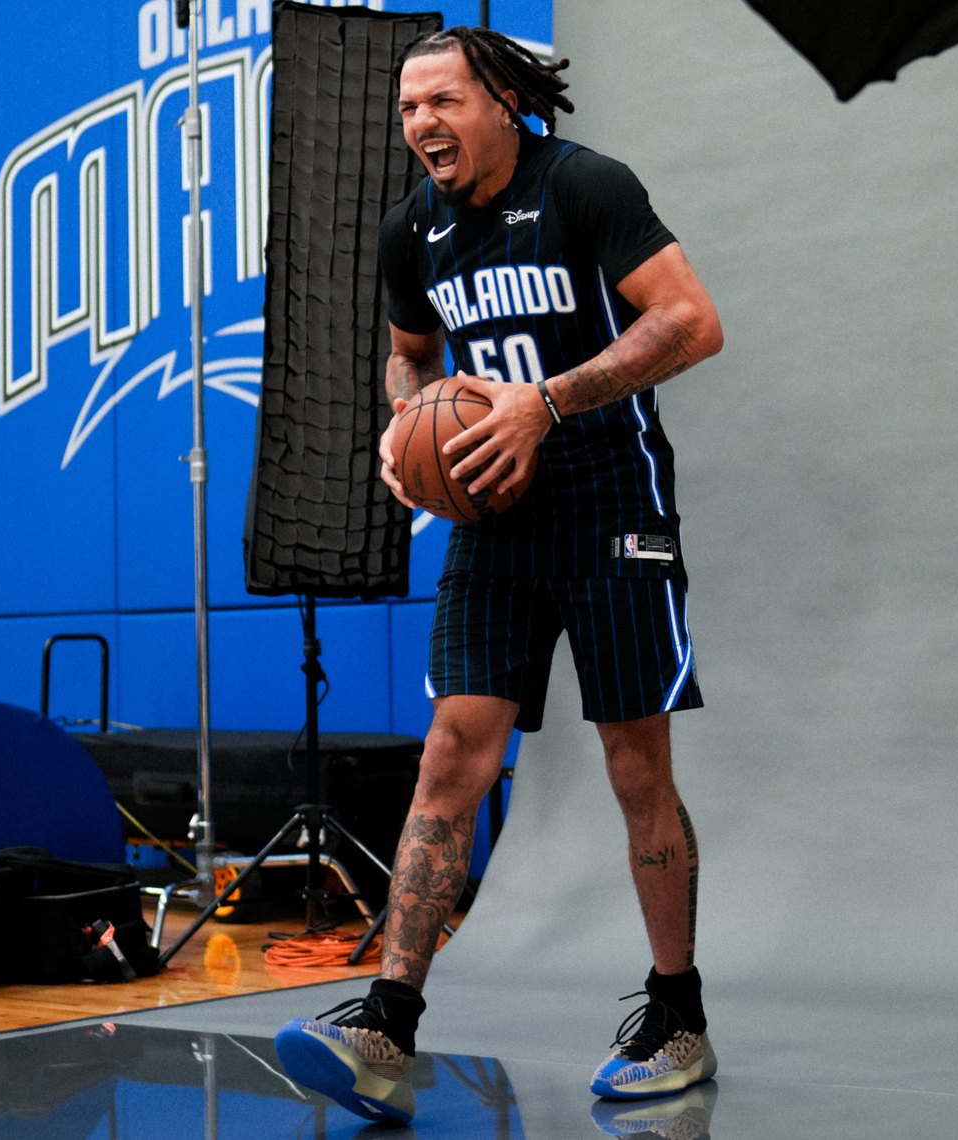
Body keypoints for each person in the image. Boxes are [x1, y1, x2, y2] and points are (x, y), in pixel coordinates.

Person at [274, 26, 724, 1125]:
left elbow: (692, 322)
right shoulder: (412, 229)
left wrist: (548, 400)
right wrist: (404, 425)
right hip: (494, 526)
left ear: (505, 100)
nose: (422, 122)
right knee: (450, 757)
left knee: (634, 769)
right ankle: (387, 1022)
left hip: (612, 507)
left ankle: (678, 1014)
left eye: (441, 100)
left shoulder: (585, 187)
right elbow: (412, 355)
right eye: (407, 109)